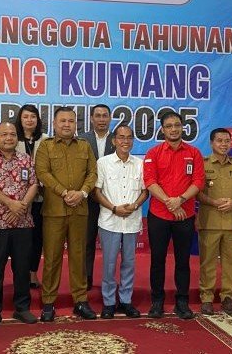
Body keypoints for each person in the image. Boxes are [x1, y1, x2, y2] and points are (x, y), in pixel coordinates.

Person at [34, 107, 97, 321]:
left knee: (79, 257)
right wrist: (64, 192)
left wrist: (82, 192)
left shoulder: (85, 146)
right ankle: (48, 302)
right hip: (54, 211)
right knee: (52, 258)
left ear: (76, 124)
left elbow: (92, 173)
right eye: (62, 121)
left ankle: (81, 301)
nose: (67, 124)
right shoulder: (46, 146)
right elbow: (42, 172)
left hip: (80, 209)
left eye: (71, 121)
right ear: (54, 124)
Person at [143, 111, 204, 320]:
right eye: (169, 126)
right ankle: (157, 301)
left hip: (184, 216)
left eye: (177, 125)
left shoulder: (194, 153)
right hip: (158, 215)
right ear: (162, 129)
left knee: (183, 261)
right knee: (157, 260)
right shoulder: (153, 153)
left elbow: (198, 182)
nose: (174, 129)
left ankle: (182, 302)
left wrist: (181, 199)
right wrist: (171, 202)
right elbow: (150, 182)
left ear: (182, 127)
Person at [0, 122, 40, 327]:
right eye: (4, 134)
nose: (8, 138)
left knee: (22, 268)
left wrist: (20, 208)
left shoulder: (25, 159)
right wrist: (11, 204)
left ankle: (22, 308)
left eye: (12, 134)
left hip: (23, 223)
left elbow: (34, 184)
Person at [93, 124, 147, 319]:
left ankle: (125, 301)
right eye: (121, 137)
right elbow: (97, 191)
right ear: (114, 140)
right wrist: (114, 208)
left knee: (129, 263)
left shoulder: (140, 164)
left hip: (131, 221)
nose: (125, 141)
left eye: (129, 137)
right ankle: (108, 302)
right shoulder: (103, 163)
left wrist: (134, 205)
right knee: (109, 264)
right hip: (110, 221)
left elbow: (145, 191)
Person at [197, 128, 232, 315]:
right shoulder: (203, 164)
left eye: (227, 141)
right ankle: (207, 298)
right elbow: (196, 191)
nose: (224, 144)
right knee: (207, 262)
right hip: (210, 221)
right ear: (211, 143)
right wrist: (212, 202)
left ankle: (228, 298)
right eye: (219, 141)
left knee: (231, 262)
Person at [81, 104, 114, 288]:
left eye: (105, 115)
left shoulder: (118, 139)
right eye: (98, 116)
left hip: (111, 199)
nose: (101, 119)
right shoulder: (82, 139)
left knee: (111, 245)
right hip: (88, 199)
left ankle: (109, 281)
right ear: (91, 118)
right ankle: (86, 279)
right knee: (87, 241)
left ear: (110, 118)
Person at [14, 104, 45, 289]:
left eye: (33, 116)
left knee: (37, 237)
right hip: (18, 198)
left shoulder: (46, 139)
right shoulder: (12, 138)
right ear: (20, 119)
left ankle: (33, 273)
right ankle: (20, 274)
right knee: (21, 239)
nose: (29, 120)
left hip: (41, 197)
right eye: (25, 116)